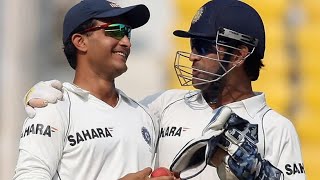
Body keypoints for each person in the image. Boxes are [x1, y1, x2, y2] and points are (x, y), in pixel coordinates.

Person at [23, 0, 306, 179]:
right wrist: (41, 93)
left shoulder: (276, 128)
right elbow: (102, 111)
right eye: (192, 46)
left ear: (240, 54)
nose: (193, 55)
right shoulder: (163, 105)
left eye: (204, 47)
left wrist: (259, 175)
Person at [14, 0, 175, 180]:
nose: (126, 42)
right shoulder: (53, 107)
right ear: (80, 41)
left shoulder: (144, 115)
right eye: (115, 30)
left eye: (128, 32)